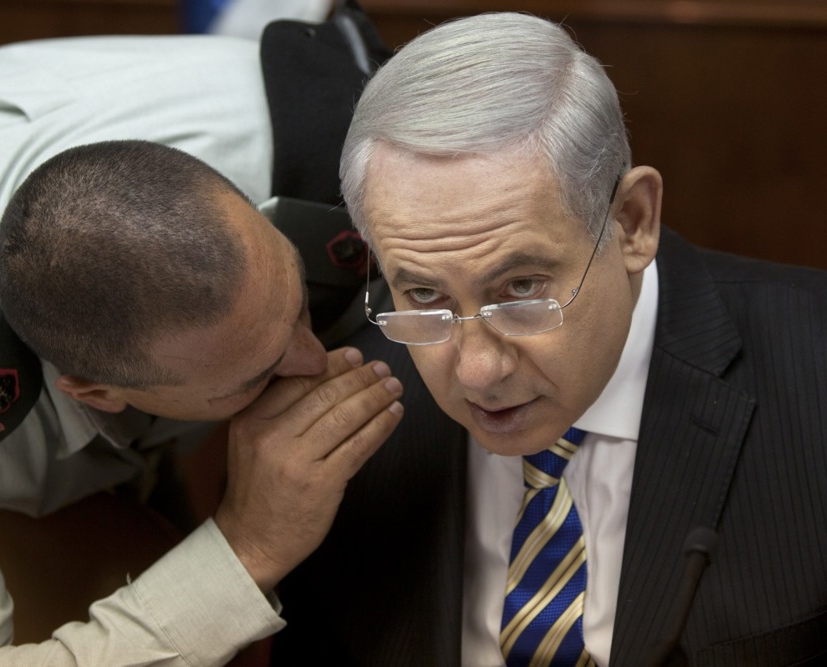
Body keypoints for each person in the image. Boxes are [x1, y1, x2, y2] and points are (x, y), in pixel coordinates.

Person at [0, 31, 405, 667]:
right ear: (95, 392)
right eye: (256, 373)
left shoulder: (316, 132)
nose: (313, 361)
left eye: (294, 299)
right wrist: (246, 549)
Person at [270, 12, 827, 666]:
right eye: (423, 293)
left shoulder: (812, 369)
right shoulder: (337, 432)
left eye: (521, 288)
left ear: (631, 222)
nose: (476, 371)